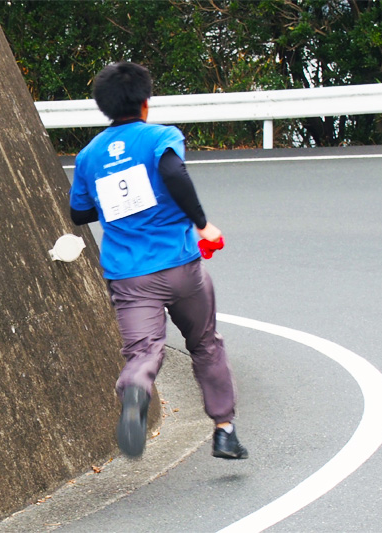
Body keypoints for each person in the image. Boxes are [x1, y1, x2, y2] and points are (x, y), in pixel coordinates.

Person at [69, 62, 247, 460]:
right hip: (181, 267)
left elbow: (79, 214)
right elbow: (173, 172)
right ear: (146, 102)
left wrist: (114, 200)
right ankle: (224, 429)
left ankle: (136, 389)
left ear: (105, 106)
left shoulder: (88, 156)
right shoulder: (160, 137)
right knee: (205, 343)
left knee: (143, 353)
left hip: (130, 277)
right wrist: (202, 224)